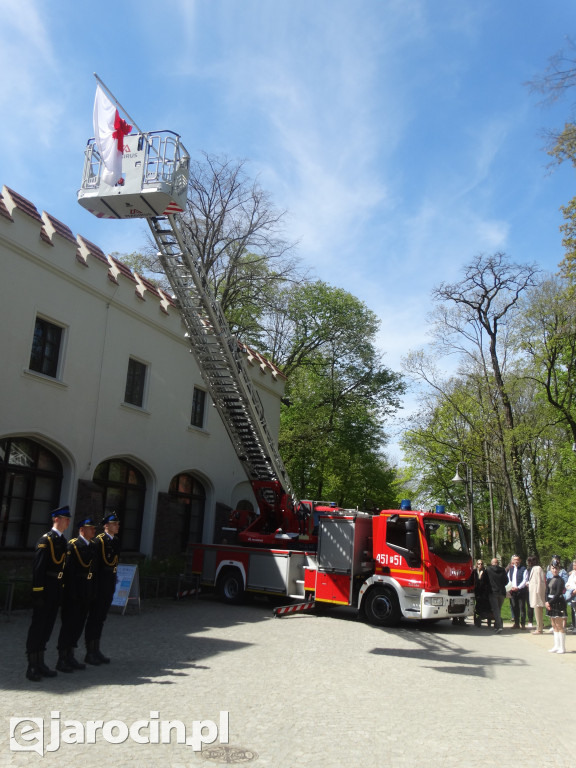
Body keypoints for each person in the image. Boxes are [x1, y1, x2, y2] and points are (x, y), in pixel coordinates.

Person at [25, 505, 71, 682]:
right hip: (45, 590)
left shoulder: (62, 541)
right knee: (38, 627)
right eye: (65, 519)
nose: (67, 522)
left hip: (56, 589)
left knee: (48, 627)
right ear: (56, 519)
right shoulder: (46, 541)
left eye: (68, 519)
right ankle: (32, 665)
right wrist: (38, 593)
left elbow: (63, 568)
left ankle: (41, 662)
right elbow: (38, 569)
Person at [56, 517, 97, 673]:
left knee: (79, 624)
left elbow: (92, 570)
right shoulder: (73, 546)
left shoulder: (92, 546)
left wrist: (91, 591)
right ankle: (62, 657)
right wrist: (71, 593)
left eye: (94, 528)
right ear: (81, 530)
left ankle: (70, 654)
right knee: (69, 624)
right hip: (73, 591)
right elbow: (68, 572)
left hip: (86, 590)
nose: (93, 530)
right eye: (90, 528)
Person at [84, 511, 121, 665]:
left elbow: (114, 562)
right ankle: (90, 651)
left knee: (101, 618)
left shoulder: (115, 541)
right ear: (106, 526)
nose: (117, 526)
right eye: (114, 524)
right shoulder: (99, 541)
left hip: (109, 582)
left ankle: (96, 649)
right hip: (99, 583)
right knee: (94, 618)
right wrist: (93, 587)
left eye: (117, 524)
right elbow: (94, 566)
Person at [546, 562, 568, 654]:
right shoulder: (549, 579)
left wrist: (549, 602)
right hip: (550, 603)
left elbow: (558, 593)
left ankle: (562, 647)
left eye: (556, 568)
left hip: (558, 603)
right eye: (553, 568)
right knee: (554, 625)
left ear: (559, 570)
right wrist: (546, 601)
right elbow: (546, 592)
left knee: (559, 625)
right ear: (550, 569)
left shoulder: (560, 580)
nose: (554, 570)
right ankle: (556, 646)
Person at [485, 557, 509, 633]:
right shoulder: (502, 570)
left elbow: (485, 580)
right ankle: (497, 625)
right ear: (497, 563)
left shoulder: (488, 570)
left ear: (491, 563)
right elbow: (506, 581)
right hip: (501, 592)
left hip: (493, 592)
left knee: (495, 609)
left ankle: (498, 626)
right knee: (498, 609)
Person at [527, 555, 546, 634]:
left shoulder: (538, 568)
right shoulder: (533, 569)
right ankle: (539, 627)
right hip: (534, 592)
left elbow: (540, 582)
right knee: (537, 610)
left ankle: (539, 628)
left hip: (537, 593)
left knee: (538, 610)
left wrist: (538, 593)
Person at [508, 554, 528, 629]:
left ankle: (523, 624)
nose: (516, 561)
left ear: (520, 560)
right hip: (513, 592)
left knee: (522, 607)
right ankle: (516, 623)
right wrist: (511, 587)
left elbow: (525, 580)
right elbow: (509, 579)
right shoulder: (511, 569)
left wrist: (518, 587)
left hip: (521, 591)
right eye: (515, 559)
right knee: (514, 607)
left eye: (517, 559)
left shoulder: (524, 569)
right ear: (513, 561)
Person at [473, 559, 492, 627]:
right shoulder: (474, 572)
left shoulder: (485, 572)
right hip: (476, 590)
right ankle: (477, 618)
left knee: (484, 604)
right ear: (477, 564)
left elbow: (487, 582)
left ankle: (485, 616)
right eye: (479, 564)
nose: (480, 565)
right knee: (477, 604)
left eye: (481, 564)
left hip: (483, 591)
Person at [564, 559, 576, 634]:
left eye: (575, 565)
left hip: (574, 592)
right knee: (574, 610)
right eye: (573, 565)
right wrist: (568, 586)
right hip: (571, 593)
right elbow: (568, 583)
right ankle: (574, 626)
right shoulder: (572, 574)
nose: (574, 566)